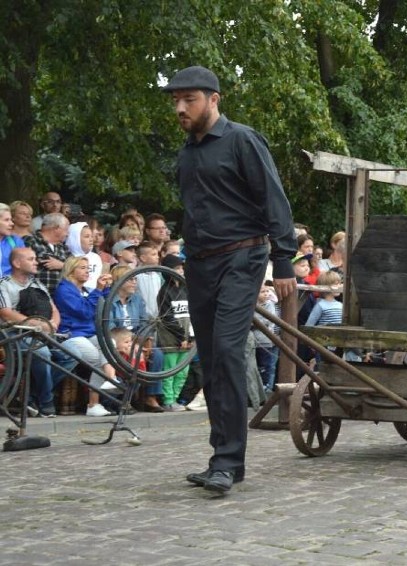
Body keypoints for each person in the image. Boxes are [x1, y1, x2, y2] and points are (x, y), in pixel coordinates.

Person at [164, 65, 297, 493]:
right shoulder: (186, 152)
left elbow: (273, 199)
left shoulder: (242, 140)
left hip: (243, 257)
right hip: (199, 264)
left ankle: (227, 461)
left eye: (190, 100)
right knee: (211, 356)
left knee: (225, 349)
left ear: (214, 99)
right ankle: (223, 460)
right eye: (176, 101)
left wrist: (284, 261)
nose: (181, 108)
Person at [0, 247, 66, 416]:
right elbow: (6, 313)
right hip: (14, 335)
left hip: (43, 333)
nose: (36, 262)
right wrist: (36, 324)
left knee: (72, 354)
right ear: (17, 263)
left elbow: (54, 309)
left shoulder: (38, 284)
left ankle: (30, 395)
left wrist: (53, 324)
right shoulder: (4, 284)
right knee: (43, 354)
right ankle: (46, 403)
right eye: (31, 259)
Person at [53, 256, 117, 417]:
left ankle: (110, 379)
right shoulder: (64, 289)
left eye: (88, 268)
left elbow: (102, 305)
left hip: (88, 333)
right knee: (96, 358)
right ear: (71, 270)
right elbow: (84, 311)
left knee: (111, 343)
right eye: (82, 267)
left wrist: (106, 288)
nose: (87, 271)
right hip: (70, 335)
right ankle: (94, 402)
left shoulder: (86, 290)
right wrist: (98, 290)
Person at [157, 254, 192, 411]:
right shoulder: (164, 292)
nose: (180, 271)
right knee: (170, 369)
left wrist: (190, 336)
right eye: (176, 268)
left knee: (183, 371)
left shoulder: (186, 289)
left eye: (181, 268)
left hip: (188, 336)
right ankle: (168, 400)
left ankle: (176, 398)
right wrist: (180, 336)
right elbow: (167, 318)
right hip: (171, 338)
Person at [24, 212, 70, 296]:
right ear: (56, 228)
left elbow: (75, 267)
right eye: (66, 229)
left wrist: (62, 265)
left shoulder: (64, 248)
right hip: (38, 296)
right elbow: (25, 265)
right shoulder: (30, 241)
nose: (68, 234)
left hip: (63, 298)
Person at [64, 221, 102, 291]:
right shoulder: (66, 257)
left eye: (91, 236)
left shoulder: (96, 258)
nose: (91, 240)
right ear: (75, 238)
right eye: (87, 236)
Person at [0, 203, 25, 276]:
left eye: (11, 220)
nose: (11, 223)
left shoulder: (16, 241)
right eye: (6, 220)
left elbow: (24, 267)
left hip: (11, 285)